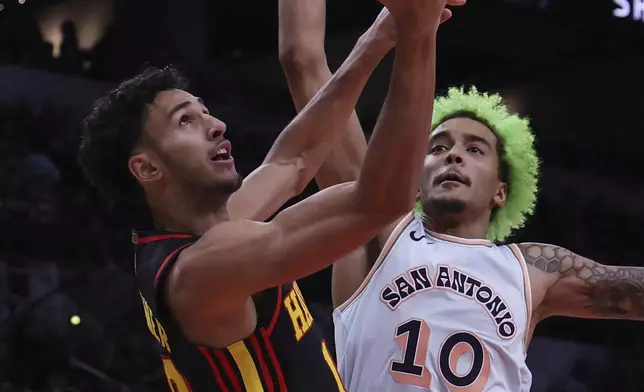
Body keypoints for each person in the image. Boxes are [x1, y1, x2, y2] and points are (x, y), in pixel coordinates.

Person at [78, 0, 461, 390]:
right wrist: (418, 34)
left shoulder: (201, 230)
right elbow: (382, 200)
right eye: (186, 121)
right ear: (147, 168)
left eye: (204, 111)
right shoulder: (201, 272)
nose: (216, 125)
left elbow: (294, 160)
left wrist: (377, 40)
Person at [280, 3, 644, 391]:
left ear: (502, 190)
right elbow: (303, 61)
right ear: (415, 180)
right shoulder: (375, 228)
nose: (453, 154)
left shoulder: (534, 270)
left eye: (475, 150)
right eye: (437, 148)